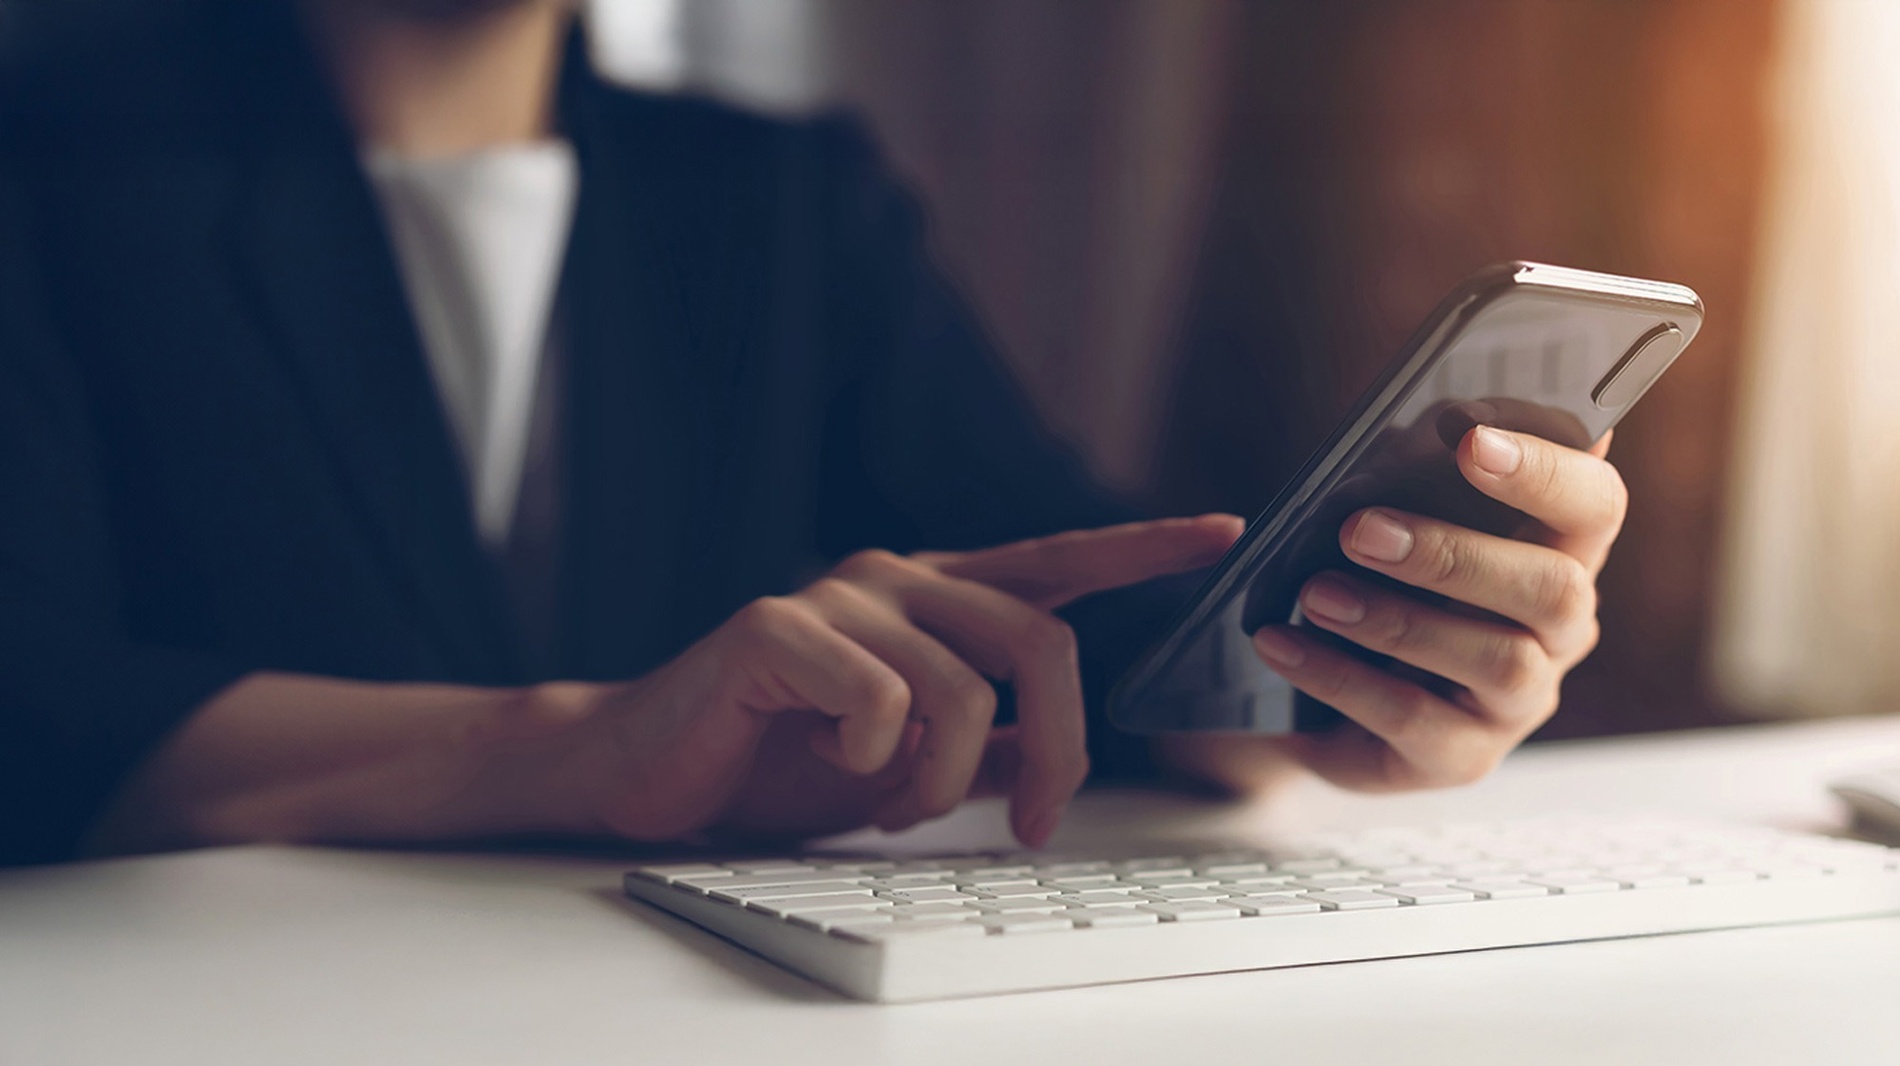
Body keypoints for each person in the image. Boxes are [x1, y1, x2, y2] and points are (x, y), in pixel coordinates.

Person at [0, 0, 1627, 866]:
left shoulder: (776, 197)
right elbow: (34, 701)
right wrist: (577, 740)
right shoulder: (45, 156)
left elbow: (1057, 568)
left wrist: (1311, 680)